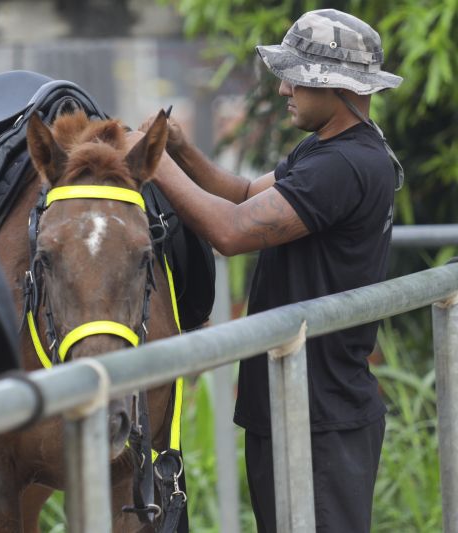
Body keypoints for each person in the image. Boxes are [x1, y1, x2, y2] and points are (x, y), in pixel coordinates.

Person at [140, 8, 403, 533]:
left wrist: (152, 161)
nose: (283, 89)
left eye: (297, 78)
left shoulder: (345, 166)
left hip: (319, 415)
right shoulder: (323, 149)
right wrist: (183, 150)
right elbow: (240, 195)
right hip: (290, 402)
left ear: (338, 86)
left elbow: (234, 232)